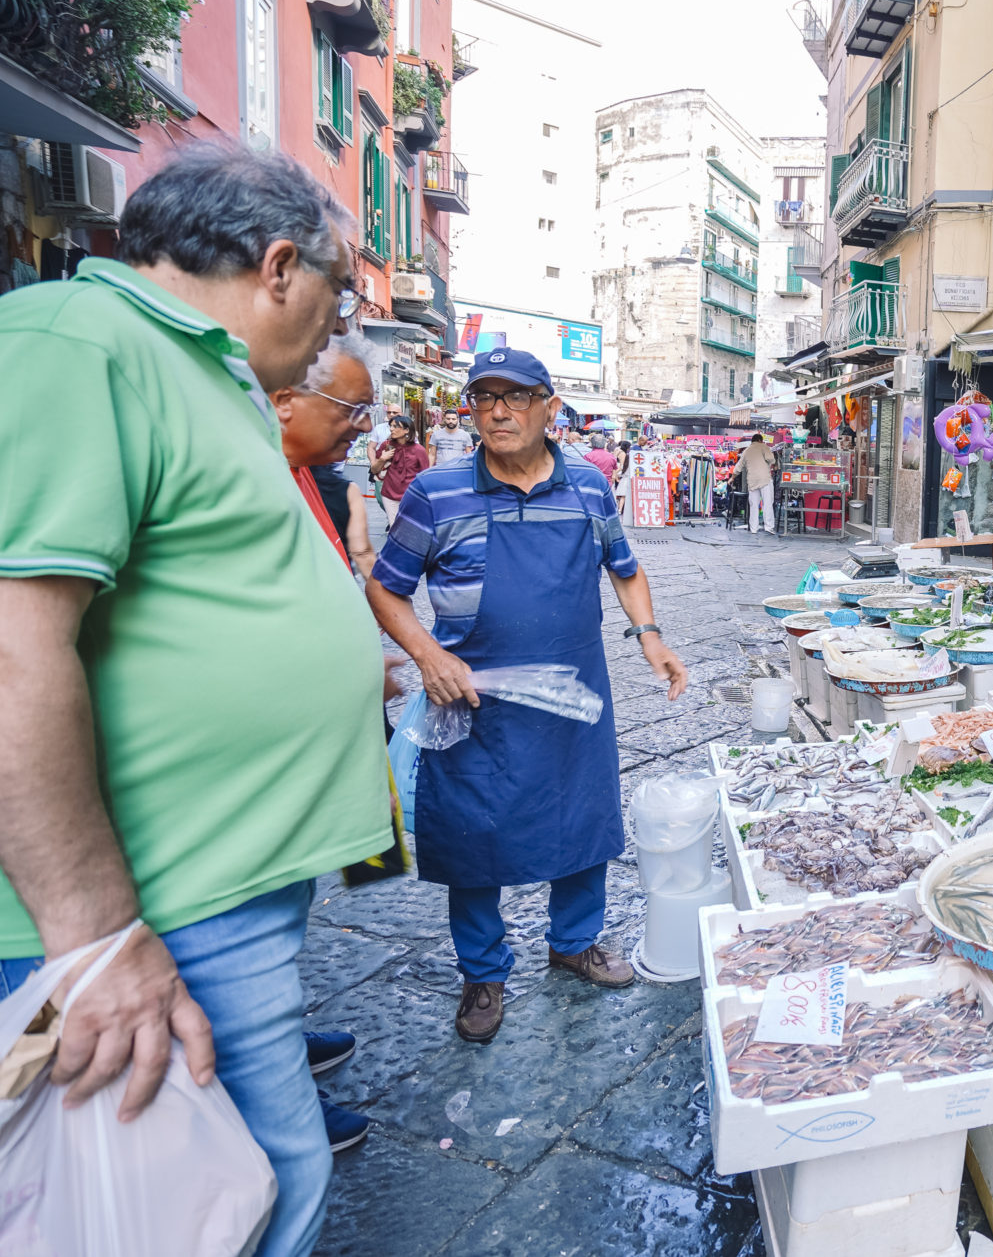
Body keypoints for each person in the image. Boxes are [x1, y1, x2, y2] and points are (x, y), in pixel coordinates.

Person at [0, 144, 388, 1257]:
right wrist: (95, 937)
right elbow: (13, 649)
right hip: (148, 906)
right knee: (219, 1202)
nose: (339, 323)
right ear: (279, 266)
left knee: (236, 1191)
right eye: (339, 292)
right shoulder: (76, 344)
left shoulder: (200, 369)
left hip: (210, 888)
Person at [366, 348, 689, 1043]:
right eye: (485, 398)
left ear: (550, 407)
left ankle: (574, 942)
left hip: (573, 694)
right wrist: (428, 654)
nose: (499, 412)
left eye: (516, 397)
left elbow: (624, 568)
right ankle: (483, 972)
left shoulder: (590, 488)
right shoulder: (436, 492)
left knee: (582, 820)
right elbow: (385, 588)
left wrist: (650, 636)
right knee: (471, 834)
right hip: (473, 700)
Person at [268, 332, 386, 1154]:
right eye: (351, 408)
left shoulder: (308, 473)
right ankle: (271, 1083)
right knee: (257, 924)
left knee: (289, 908)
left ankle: (277, 1037)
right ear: (286, 401)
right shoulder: (253, 477)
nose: (363, 426)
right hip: (259, 763)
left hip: (302, 751)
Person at [374, 416, 430, 524]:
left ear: (406, 430)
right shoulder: (386, 445)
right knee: (394, 526)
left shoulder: (419, 450)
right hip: (389, 494)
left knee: (409, 527)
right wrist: (382, 459)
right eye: (390, 426)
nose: (391, 429)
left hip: (411, 496)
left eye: (395, 426)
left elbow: (425, 476)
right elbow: (374, 470)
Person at [739, 431, 777, 534]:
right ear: (760, 440)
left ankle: (754, 528)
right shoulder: (764, 447)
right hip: (764, 479)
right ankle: (768, 527)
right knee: (767, 503)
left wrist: (732, 478)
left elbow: (739, 466)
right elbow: (771, 460)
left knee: (753, 505)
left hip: (752, 480)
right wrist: (770, 462)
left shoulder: (746, 450)